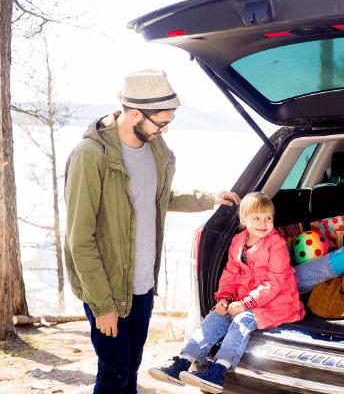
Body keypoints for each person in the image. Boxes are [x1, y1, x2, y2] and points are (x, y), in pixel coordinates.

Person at [64, 69, 241, 394]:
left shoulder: (155, 151)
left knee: (129, 370)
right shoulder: (92, 157)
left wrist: (207, 198)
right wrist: (103, 305)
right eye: (161, 121)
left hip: (143, 286)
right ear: (134, 113)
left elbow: (160, 198)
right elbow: (80, 239)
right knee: (113, 375)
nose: (166, 128)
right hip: (108, 288)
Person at [148, 191, 306, 393]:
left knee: (242, 320)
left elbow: (273, 284)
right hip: (245, 299)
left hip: (277, 303)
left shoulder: (276, 245)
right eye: (256, 218)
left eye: (268, 218)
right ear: (243, 220)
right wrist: (224, 298)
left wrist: (245, 304)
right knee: (217, 315)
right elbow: (230, 273)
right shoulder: (238, 241)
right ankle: (183, 362)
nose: (263, 223)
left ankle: (218, 371)